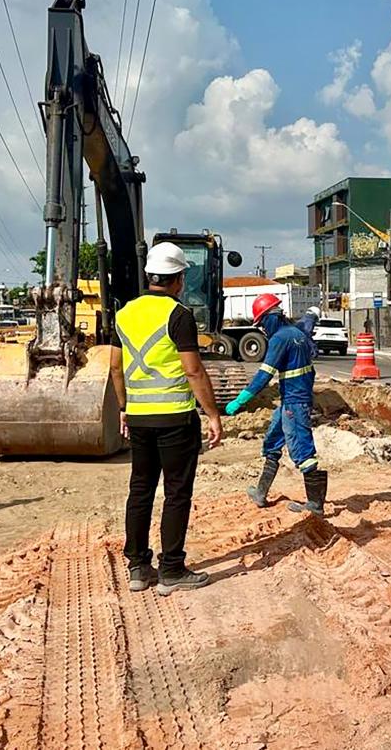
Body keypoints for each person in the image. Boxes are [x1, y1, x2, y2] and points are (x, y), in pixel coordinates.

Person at [111, 242, 223, 596]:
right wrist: (213, 414)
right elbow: (193, 371)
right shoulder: (179, 315)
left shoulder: (124, 313)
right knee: (176, 493)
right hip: (174, 418)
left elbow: (115, 366)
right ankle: (172, 568)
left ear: (149, 276)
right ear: (177, 280)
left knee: (140, 490)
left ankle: (138, 568)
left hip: (140, 419)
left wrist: (124, 407)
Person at [225, 292, 323, 515]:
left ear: (270, 317)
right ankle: (261, 492)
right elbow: (308, 321)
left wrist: (241, 399)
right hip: (290, 401)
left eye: (261, 324)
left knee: (303, 452)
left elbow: (264, 375)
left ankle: (315, 505)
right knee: (273, 442)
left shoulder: (280, 338)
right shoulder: (296, 332)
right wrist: (312, 313)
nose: (262, 330)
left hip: (295, 404)